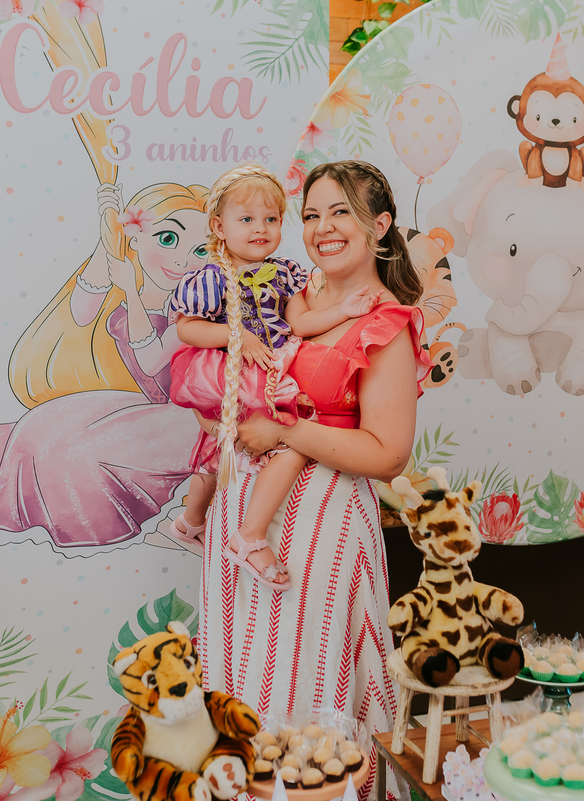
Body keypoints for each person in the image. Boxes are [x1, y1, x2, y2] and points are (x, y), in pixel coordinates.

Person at [198, 161, 432, 801]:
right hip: (248, 524)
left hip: (318, 530)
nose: (323, 228)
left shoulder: (386, 323)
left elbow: (388, 454)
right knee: (243, 673)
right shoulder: (297, 298)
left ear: (380, 227)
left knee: (303, 689)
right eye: (311, 214)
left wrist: (287, 434)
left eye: (341, 213)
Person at [0, 182, 211, 550]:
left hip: (188, 413)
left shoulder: (197, 302)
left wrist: (132, 295)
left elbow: (151, 359)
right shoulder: (126, 276)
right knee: (36, 430)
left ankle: (161, 524)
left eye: (201, 249)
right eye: (168, 239)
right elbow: (81, 312)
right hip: (150, 403)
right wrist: (109, 236)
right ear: (136, 238)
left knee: (75, 453)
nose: (184, 260)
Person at [166, 164, 381, 591]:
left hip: (269, 367)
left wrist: (344, 311)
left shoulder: (284, 274)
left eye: (271, 219)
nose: (260, 229)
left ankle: (227, 527)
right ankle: (208, 524)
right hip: (228, 370)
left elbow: (300, 324)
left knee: (273, 440)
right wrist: (236, 337)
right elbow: (186, 329)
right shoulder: (211, 278)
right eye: (246, 220)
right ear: (219, 226)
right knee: (222, 448)